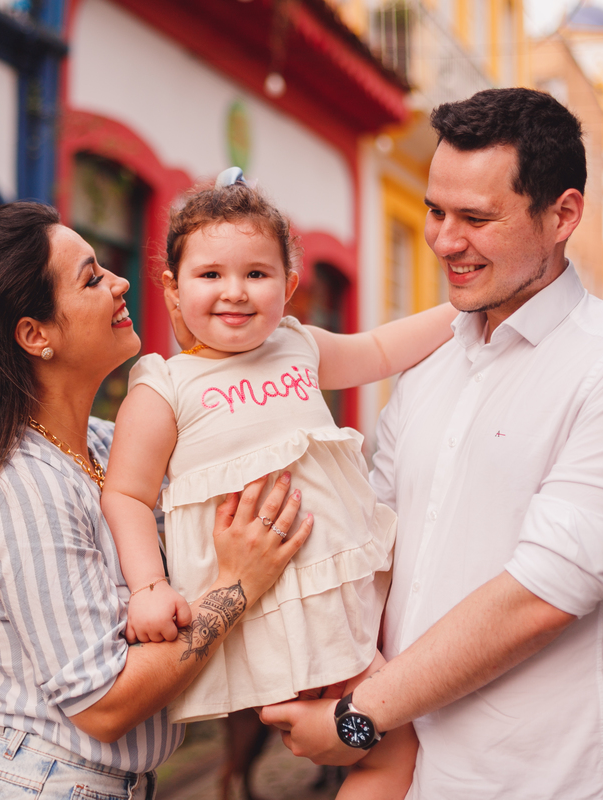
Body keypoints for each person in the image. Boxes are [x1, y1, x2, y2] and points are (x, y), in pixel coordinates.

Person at [261, 87, 603, 798]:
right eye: (436, 211)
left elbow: (542, 595)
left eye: (476, 218)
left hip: (551, 771)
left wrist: (358, 717)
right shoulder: (431, 361)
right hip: (409, 769)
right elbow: (376, 543)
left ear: (564, 215)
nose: (443, 241)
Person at [0, 201, 314, 800]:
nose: (120, 282)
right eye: (91, 278)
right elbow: (104, 704)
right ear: (35, 335)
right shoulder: (23, 487)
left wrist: (207, 341)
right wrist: (237, 587)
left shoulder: (103, 443)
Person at [100, 172, 457, 798]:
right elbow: (127, 493)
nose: (235, 293)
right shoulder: (166, 387)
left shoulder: (297, 347)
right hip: (267, 613)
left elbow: (378, 349)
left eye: (257, 274)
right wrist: (147, 587)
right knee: (391, 746)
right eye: (210, 275)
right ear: (172, 289)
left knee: (395, 747)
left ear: (289, 287)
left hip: (341, 599)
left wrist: (464, 307)